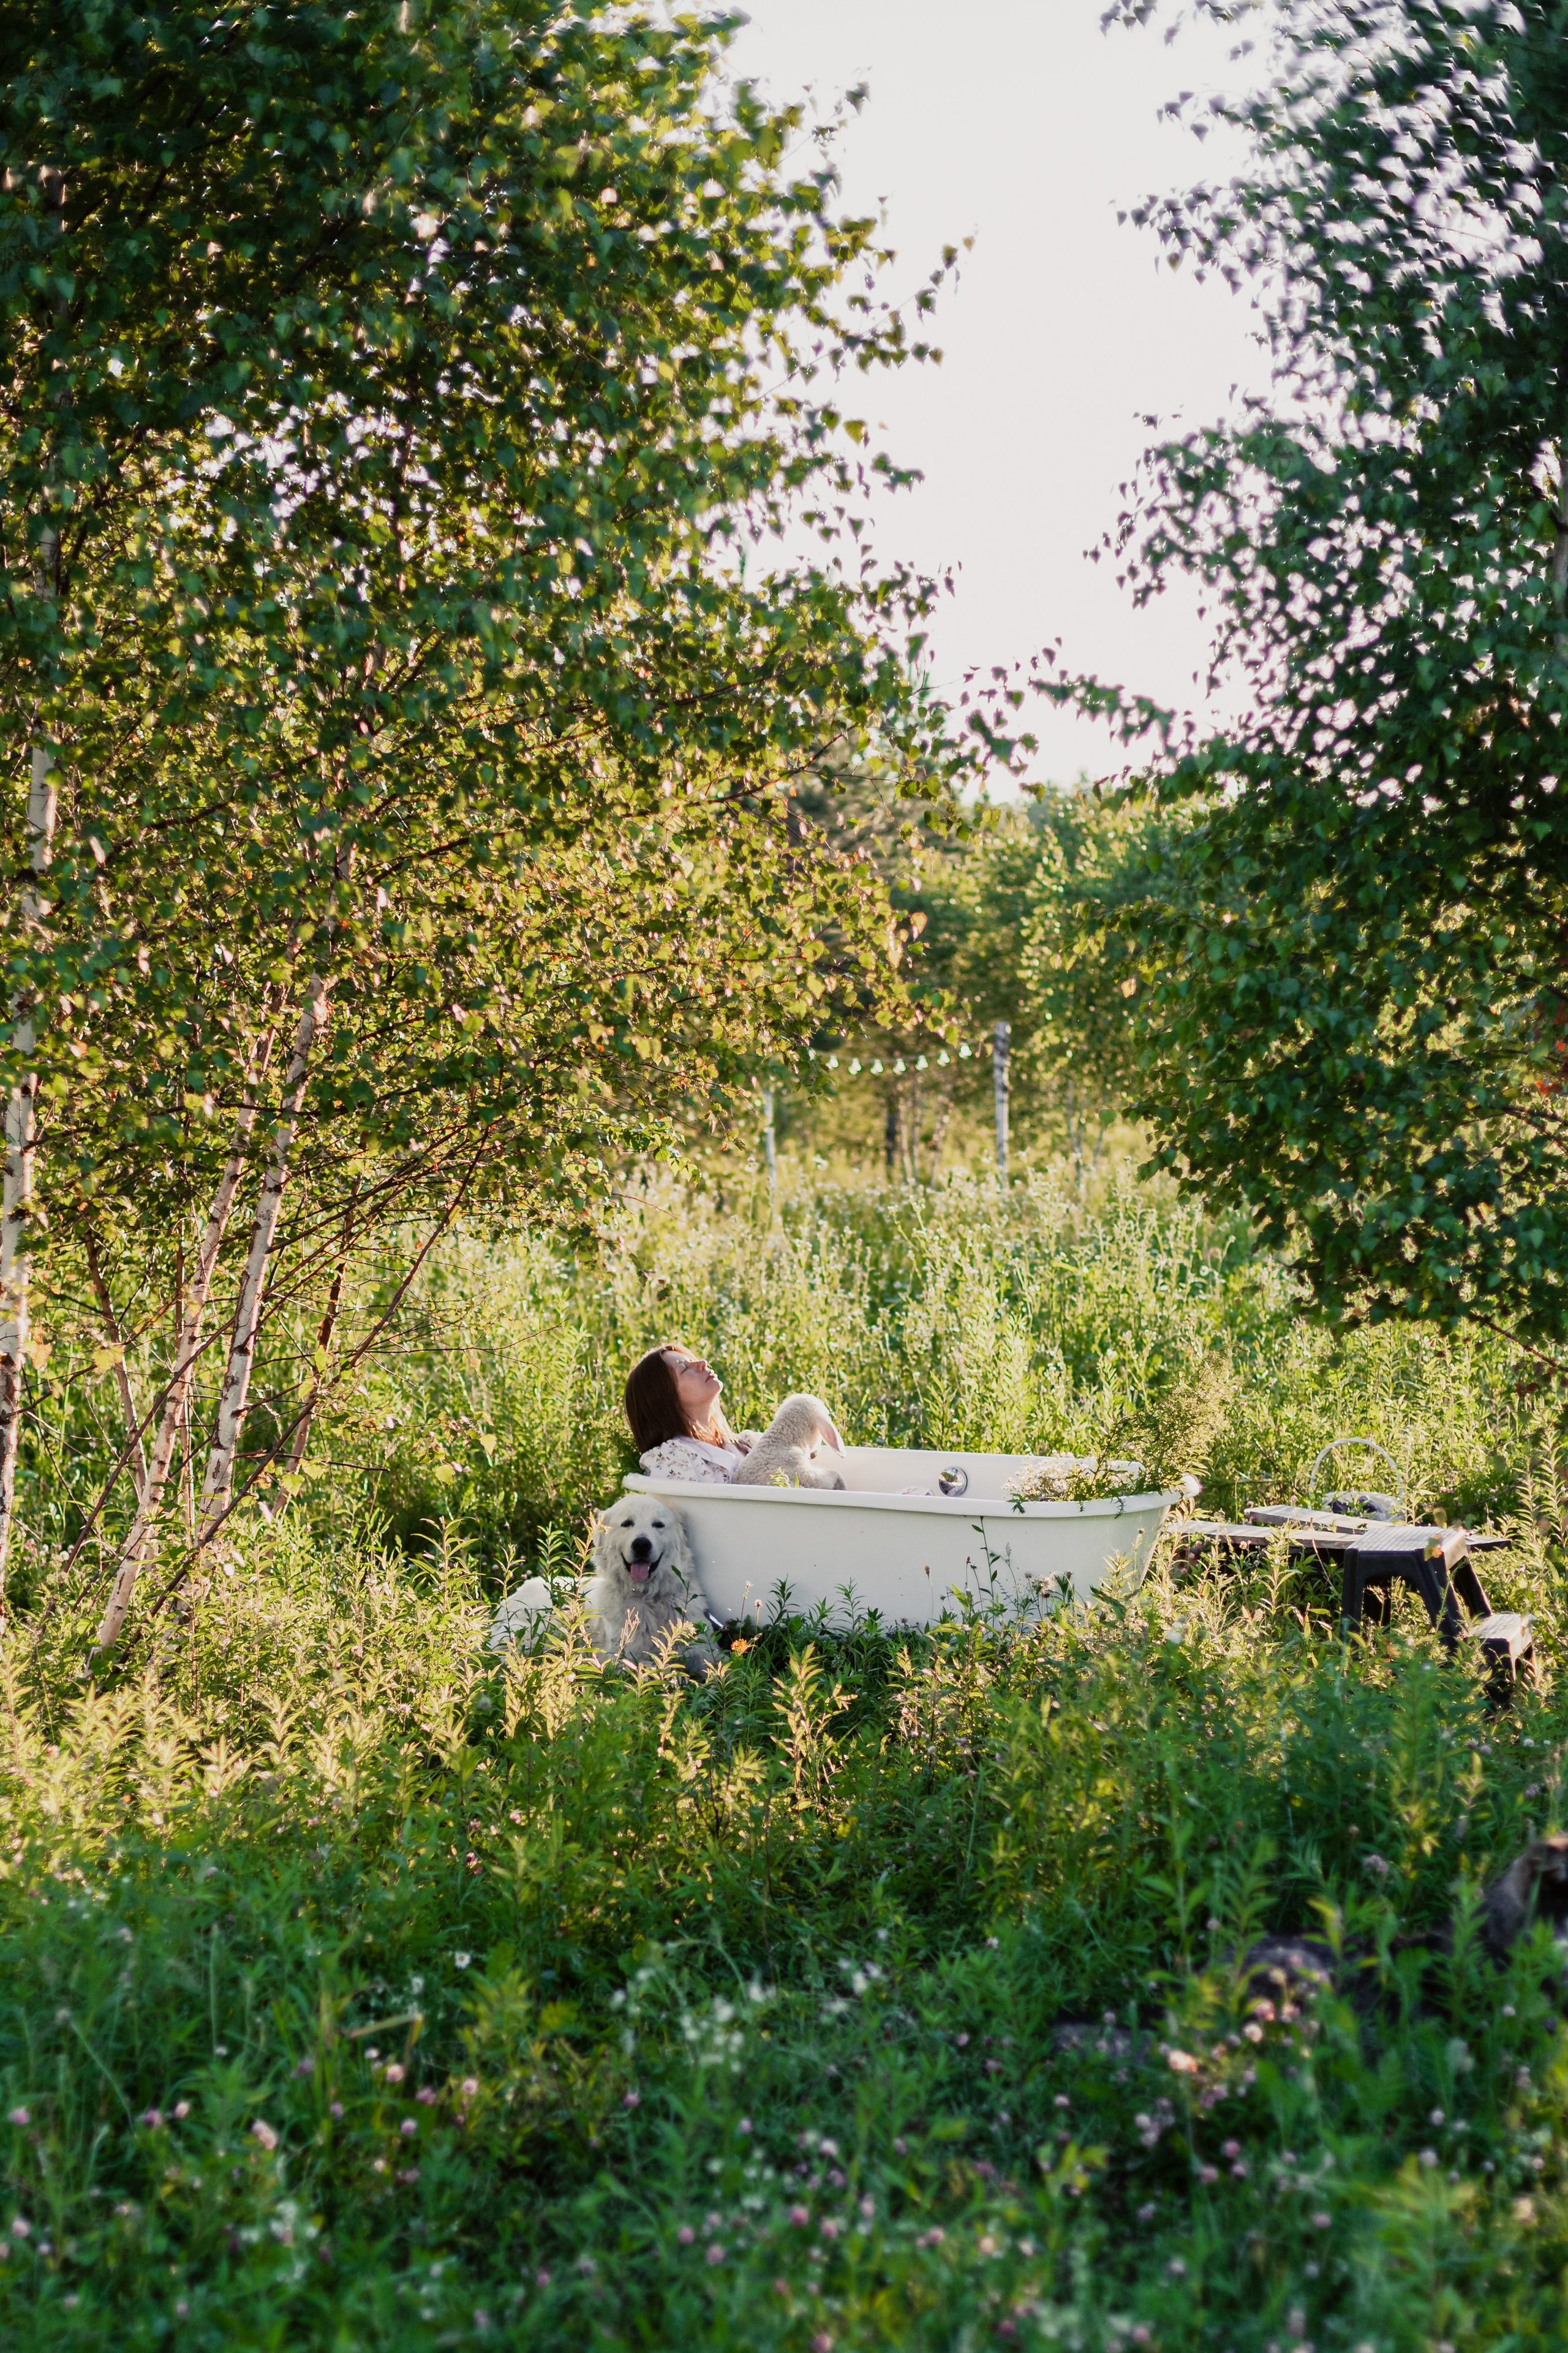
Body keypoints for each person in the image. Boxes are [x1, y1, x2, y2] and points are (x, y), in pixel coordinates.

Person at [623, 1343, 760, 1483]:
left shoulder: (748, 1443)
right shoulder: (671, 1457)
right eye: (685, 1368)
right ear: (665, 1398)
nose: (703, 1363)